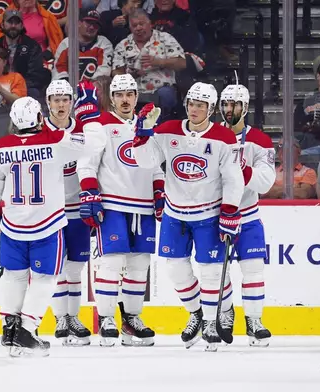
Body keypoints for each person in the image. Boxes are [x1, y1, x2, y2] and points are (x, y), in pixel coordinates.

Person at [0, 96, 97, 357]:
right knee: (45, 278)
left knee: (14, 276)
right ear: (40, 118)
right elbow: (94, 145)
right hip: (47, 226)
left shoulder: (1, 148)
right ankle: (27, 328)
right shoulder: (55, 143)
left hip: (13, 227)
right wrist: (89, 117)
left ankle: (9, 326)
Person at [131, 82, 244, 351]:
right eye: (192, 104)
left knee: (212, 271)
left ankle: (218, 315)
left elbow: (233, 178)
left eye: (201, 105)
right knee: (174, 268)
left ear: (211, 109)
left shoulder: (224, 138)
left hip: (209, 213)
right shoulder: (168, 130)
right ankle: (197, 313)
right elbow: (145, 161)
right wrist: (143, 133)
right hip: (175, 213)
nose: (195, 109)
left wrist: (229, 210)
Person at [74, 74, 164, 347]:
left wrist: (159, 190)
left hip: (143, 206)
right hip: (113, 203)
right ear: (111, 98)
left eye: (130, 94)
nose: (125, 100)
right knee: (111, 262)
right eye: (119, 94)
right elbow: (86, 163)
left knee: (139, 266)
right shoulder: (100, 125)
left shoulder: (147, 125)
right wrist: (89, 192)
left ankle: (131, 320)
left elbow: (155, 165)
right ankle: (105, 318)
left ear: (137, 97)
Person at [219, 84, 275, 346]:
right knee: (216, 271)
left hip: (248, 215)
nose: (230, 110)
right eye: (226, 104)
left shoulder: (260, 141)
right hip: (215, 215)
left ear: (245, 107)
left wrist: (243, 169)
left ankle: (254, 320)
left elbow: (265, 182)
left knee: (253, 270)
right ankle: (225, 312)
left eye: (235, 105)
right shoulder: (211, 135)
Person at [40, 80, 93, 347]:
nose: (61, 105)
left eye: (65, 100)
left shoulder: (83, 129)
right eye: (56, 100)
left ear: (72, 102)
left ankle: (73, 316)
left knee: (75, 268)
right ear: (47, 102)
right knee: (57, 267)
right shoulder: (39, 131)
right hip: (50, 212)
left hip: (78, 209)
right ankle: (61, 317)